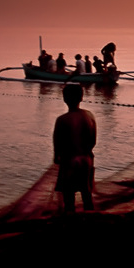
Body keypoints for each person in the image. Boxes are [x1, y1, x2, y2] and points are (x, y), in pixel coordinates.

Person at [53, 84, 97, 212]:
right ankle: (90, 217)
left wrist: (57, 157)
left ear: (64, 98)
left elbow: (58, 144)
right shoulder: (90, 116)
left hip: (70, 160)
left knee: (68, 194)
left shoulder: (62, 119)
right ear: (81, 98)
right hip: (87, 159)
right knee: (86, 191)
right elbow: (93, 140)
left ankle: (70, 221)